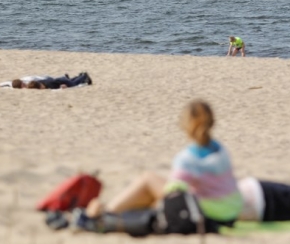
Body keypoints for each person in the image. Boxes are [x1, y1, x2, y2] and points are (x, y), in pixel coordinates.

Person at [73, 100, 243, 234]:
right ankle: (107, 211)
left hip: (208, 216)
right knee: (151, 187)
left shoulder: (189, 157)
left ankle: (99, 214)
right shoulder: (220, 149)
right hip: (229, 212)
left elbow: (171, 194)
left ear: (186, 125)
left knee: (148, 180)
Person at [2, 72, 92, 89]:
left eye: (23, 84)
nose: (24, 85)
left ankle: (84, 76)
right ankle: (79, 76)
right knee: (70, 81)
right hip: (60, 80)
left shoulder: (47, 84)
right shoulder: (31, 85)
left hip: (60, 80)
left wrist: (62, 87)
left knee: (73, 84)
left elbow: (57, 85)